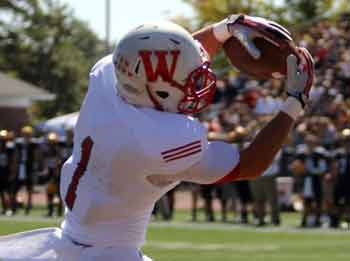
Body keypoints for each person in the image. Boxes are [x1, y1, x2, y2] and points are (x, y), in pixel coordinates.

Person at [0, 14, 314, 260]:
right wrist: (294, 102)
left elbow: (169, 55)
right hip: (111, 254)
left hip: (67, 239)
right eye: (191, 79)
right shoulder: (162, 139)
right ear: (156, 88)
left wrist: (225, 28)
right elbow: (247, 164)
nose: (199, 81)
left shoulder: (110, 76)